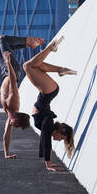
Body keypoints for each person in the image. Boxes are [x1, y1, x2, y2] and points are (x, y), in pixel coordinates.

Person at [23, 36, 76, 171]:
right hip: (48, 92)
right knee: (28, 66)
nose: (58, 140)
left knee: (35, 65)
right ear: (60, 131)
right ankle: (50, 49)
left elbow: (46, 138)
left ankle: (61, 69)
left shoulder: (49, 125)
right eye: (61, 138)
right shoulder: (48, 124)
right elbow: (46, 140)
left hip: (48, 91)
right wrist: (48, 162)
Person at [0, 35, 44, 159]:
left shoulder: (9, 115)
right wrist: (8, 62)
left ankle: (29, 44)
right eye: (16, 125)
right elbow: (12, 81)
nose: (14, 126)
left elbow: (6, 135)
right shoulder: (13, 103)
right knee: (2, 40)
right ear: (17, 118)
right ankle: (30, 42)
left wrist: (7, 154)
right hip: (11, 70)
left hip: (4, 71)